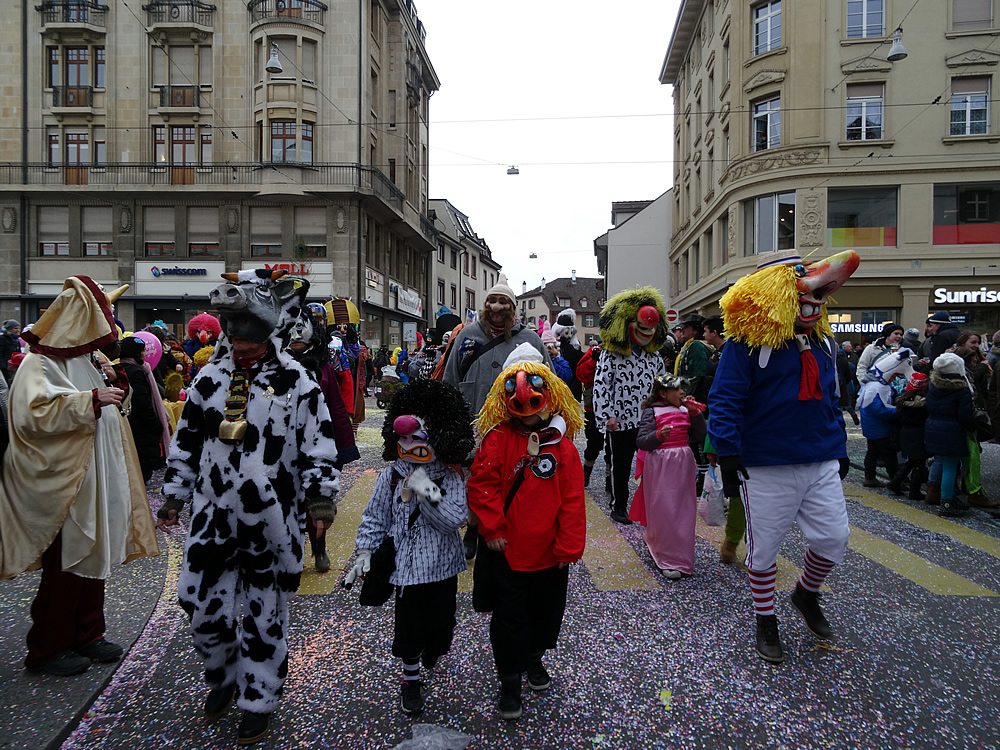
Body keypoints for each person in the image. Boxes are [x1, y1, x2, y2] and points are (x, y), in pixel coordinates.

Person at [156, 269, 340, 745]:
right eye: (235, 337)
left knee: (265, 615)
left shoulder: (299, 382)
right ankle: (223, 675)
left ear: (269, 335)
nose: (241, 346)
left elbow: (319, 446)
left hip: (270, 521)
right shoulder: (209, 380)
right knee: (199, 606)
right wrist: (175, 494)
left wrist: (320, 502)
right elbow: (187, 440)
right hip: (213, 516)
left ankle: (258, 699)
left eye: (250, 339)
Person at [0, 277, 159, 676]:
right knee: (67, 561)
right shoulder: (41, 361)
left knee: (93, 554)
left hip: (96, 473)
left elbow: (114, 405)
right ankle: (48, 648)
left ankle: (88, 635)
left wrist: (115, 386)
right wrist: (88, 400)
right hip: (67, 480)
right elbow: (31, 414)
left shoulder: (89, 358)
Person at [708, 249, 860, 665]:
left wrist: (839, 447)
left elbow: (831, 400)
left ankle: (806, 594)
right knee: (764, 550)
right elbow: (725, 399)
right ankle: (766, 618)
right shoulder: (744, 345)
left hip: (820, 457)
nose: (812, 304)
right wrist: (728, 452)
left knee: (834, 538)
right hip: (765, 462)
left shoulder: (824, 342)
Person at [467, 343, 586, 720]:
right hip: (508, 552)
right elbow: (482, 486)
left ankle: (534, 658)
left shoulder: (563, 448)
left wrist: (569, 546)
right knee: (509, 620)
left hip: (550, 554)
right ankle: (510, 680)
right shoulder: (496, 438)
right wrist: (492, 530)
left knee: (545, 615)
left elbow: (572, 499)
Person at [346, 379, 475, 716]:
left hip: (443, 567)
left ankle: (433, 648)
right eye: (402, 438)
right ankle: (411, 679)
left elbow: (453, 520)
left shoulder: (450, 477)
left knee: (441, 629)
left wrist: (426, 490)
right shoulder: (390, 476)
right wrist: (364, 552)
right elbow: (375, 517)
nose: (407, 445)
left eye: (416, 438)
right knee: (408, 630)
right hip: (405, 570)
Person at [443, 274, 551, 558]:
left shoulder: (530, 339)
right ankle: (473, 528)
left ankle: (510, 526)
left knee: (512, 477)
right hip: (475, 421)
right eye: (492, 300)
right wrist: (449, 417)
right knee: (476, 478)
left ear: (512, 307)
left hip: (516, 424)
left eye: (503, 302)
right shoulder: (467, 336)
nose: (497, 307)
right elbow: (450, 379)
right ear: (485, 304)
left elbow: (549, 383)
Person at [289, 304, 361, 572]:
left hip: (317, 445)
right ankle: (291, 551)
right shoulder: (273, 366)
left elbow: (336, 407)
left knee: (317, 500)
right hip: (282, 449)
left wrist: (343, 446)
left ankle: (319, 547)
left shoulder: (322, 365)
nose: (297, 336)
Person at [593, 287, 668, 525]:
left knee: (651, 466)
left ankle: (650, 505)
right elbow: (601, 386)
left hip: (648, 421)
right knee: (621, 466)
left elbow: (663, 386)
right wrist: (607, 416)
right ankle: (619, 506)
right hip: (621, 421)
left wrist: (667, 411)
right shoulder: (610, 354)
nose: (648, 333)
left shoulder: (654, 356)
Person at [630, 374, 706, 579]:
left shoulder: (685, 410)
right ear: (663, 393)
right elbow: (641, 441)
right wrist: (657, 436)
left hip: (683, 464)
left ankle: (679, 556)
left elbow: (700, 435)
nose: (682, 393)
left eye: (682, 389)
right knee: (663, 509)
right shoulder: (651, 412)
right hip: (660, 465)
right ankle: (664, 552)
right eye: (677, 389)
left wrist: (695, 414)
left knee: (683, 510)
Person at [923, 353, 977, 517]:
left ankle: (935, 492)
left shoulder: (933, 385)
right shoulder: (961, 389)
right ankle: (946, 502)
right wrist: (972, 426)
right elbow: (965, 415)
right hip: (953, 430)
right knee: (950, 467)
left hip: (933, 427)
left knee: (940, 461)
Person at [118, 335, 172, 483]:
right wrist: (157, 424)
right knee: (142, 471)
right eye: (142, 351)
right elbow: (142, 403)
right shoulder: (136, 373)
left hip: (130, 426)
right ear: (136, 354)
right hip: (140, 429)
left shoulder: (121, 369)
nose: (145, 354)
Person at [953, 345, 996, 509]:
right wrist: (972, 424)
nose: (975, 364)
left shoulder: (959, 377)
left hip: (957, 425)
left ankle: (959, 492)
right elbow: (966, 407)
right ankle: (965, 494)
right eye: (972, 361)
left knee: (956, 461)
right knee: (968, 459)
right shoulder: (962, 381)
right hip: (963, 426)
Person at [890, 372, 929, 500]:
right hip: (919, 434)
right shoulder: (925, 403)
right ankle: (914, 490)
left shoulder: (902, 401)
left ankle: (896, 482)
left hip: (905, 433)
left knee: (912, 460)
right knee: (918, 462)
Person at [575, 342, 609, 488]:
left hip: (616, 408)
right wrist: (594, 360)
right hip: (593, 408)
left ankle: (610, 478)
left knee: (614, 446)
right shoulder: (595, 351)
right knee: (594, 443)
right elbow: (582, 375)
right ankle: (586, 473)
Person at [1, 319, 21, 384]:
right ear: (9, 329)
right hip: (6, 366)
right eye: (15, 328)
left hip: (14, 366)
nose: (18, 330)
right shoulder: (2, 339)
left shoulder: (16, 340)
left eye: (19, 328)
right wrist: (3, 367)